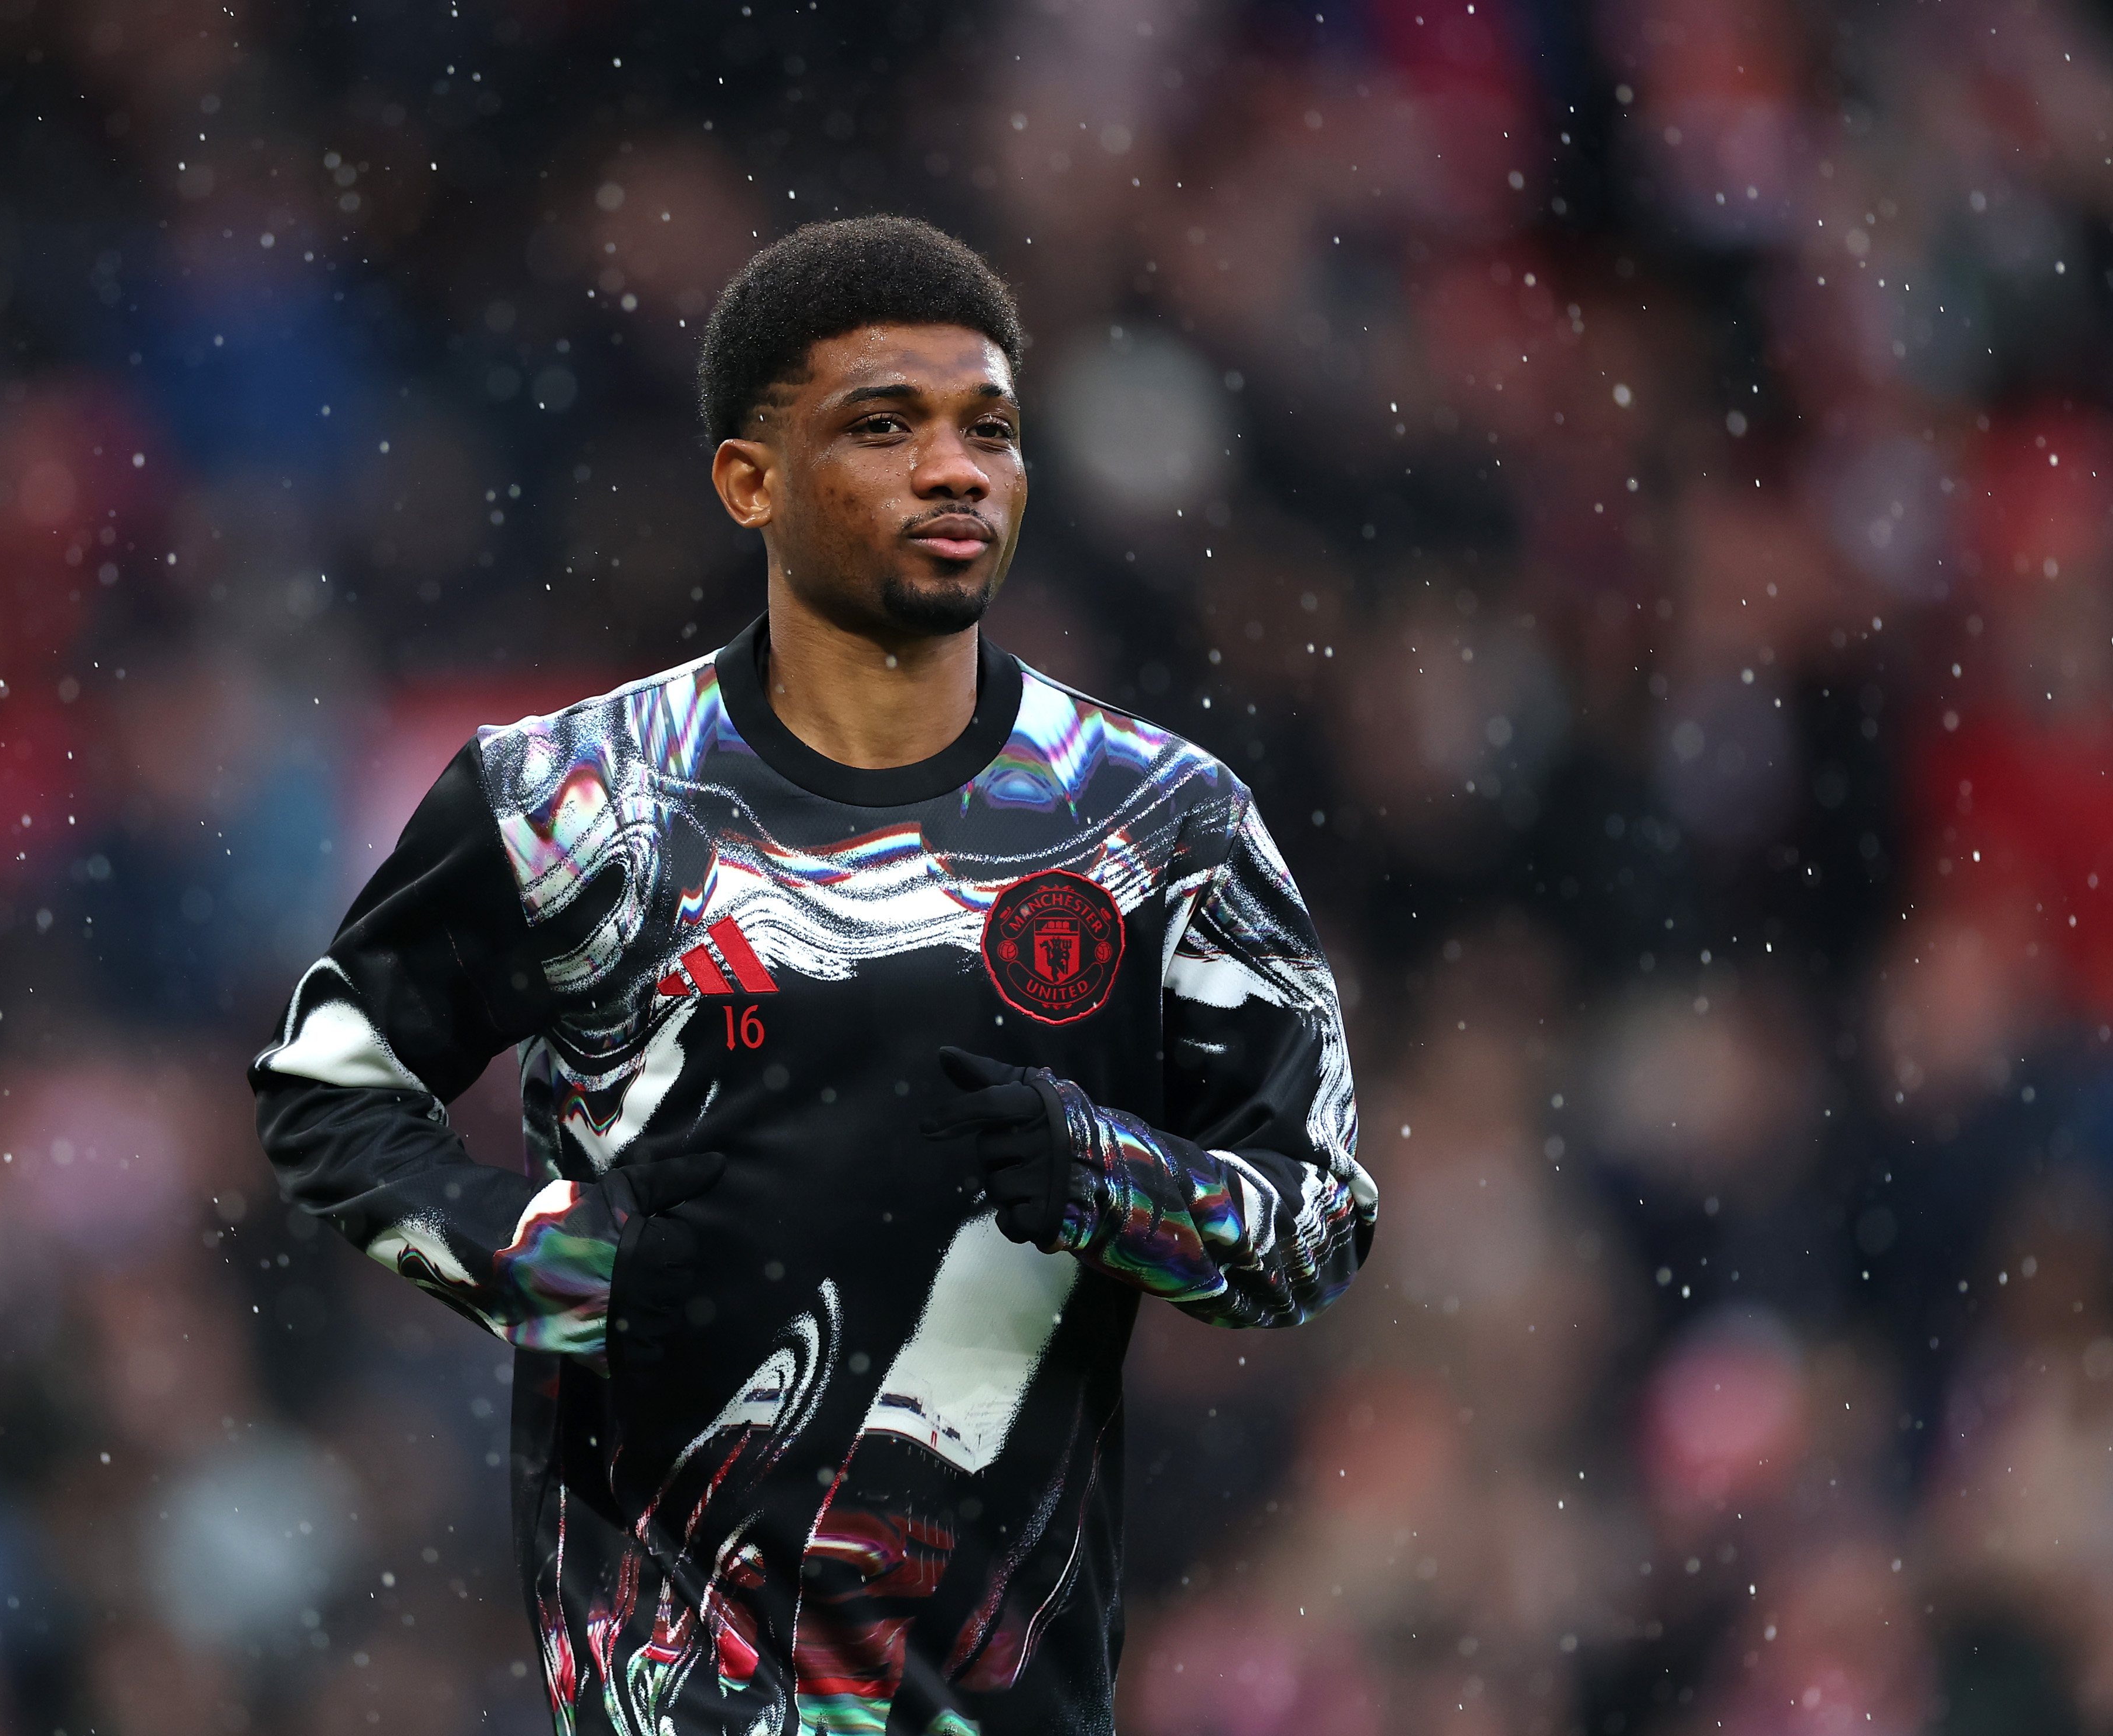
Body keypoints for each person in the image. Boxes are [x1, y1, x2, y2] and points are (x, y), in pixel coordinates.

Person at [249, 215, 1378, 1736]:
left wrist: (1112, 1183)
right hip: (660, 1694)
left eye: (990, 427)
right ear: (748, 480)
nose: (955, 469)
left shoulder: (1161, 823)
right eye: (884, 426)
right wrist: (558, 1260)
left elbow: (1318, 1224)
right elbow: (330, 1086)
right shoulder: (574, 797)